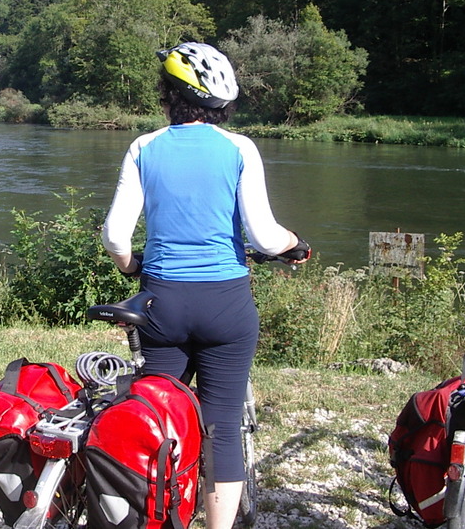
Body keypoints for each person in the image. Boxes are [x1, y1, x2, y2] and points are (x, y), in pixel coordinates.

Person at [101, 42, 311, 529]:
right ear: (220, 101)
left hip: (161, 302)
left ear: (169, 94)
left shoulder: (143, 147)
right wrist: (296, 243)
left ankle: (155, 510)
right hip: (225, 306)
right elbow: (262, 234)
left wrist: (131, 266)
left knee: (158, 416)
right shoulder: (239, 148)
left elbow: (114, 234)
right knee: (221, 432)